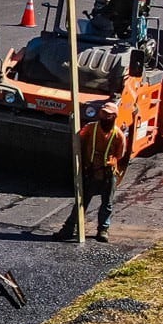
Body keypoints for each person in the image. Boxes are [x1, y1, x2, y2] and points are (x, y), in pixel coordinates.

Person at [55, 100, 127, 243]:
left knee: (107, 204)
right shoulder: (90, 128)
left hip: (108, 173)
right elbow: (78, 141)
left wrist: (109, 162)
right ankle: (69, 229)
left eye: (109, 115)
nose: (105, 117)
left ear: (114, 117)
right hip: (91, 172)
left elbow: (120, 154)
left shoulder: (118, 135)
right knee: (81, 202)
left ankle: (103, 230)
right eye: (103, 113)